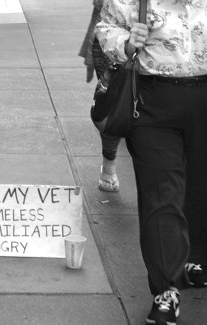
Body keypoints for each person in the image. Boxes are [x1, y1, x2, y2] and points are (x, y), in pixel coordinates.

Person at [96, 1, 207, 324]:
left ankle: (195, 258)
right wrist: (127, 43)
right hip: (152, 102)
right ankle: (166, 289)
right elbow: (105, 28)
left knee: (200, 187)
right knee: (162, 195)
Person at [78, 0, 121, 192]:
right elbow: (100, 9)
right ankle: (108, 169)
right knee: (111, 110)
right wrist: (90, 51)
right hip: (112, 43)